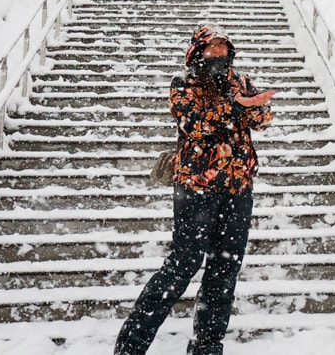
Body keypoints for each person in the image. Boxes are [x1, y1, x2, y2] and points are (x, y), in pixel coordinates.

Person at [115, 24, 275, 355]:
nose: (218, 54)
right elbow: (196, 125)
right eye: (211, 48)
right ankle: (131, 346)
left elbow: (262, 119)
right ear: (197, 52)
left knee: (224, 269)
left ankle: (207, 346)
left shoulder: (240, 83)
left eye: (223, 48)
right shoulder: (183, 86)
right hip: (196, 191)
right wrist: (238, 107)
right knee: (182, 265)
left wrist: (254, 106)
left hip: (238, 189)